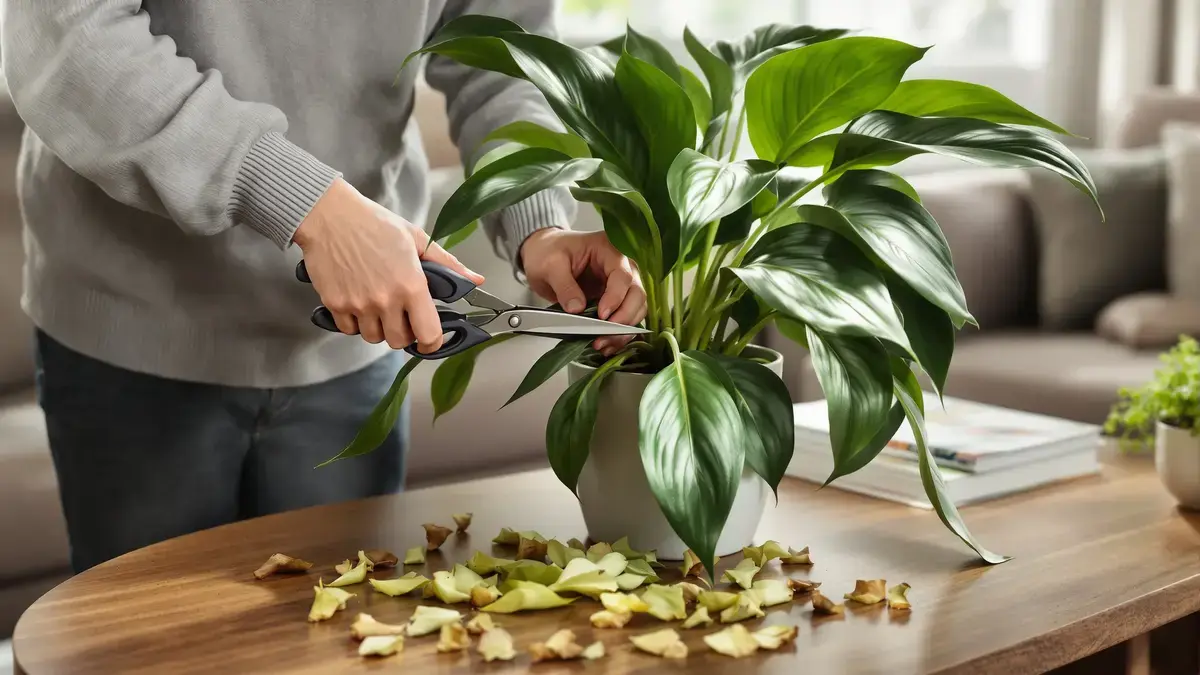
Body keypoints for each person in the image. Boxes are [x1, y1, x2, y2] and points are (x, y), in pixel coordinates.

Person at [1, 1, 646, 573]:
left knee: (343, 639)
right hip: (134, 334)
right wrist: (309, 206)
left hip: (354, 357)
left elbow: (505, 52)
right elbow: (67, 38)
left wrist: (538, 219)